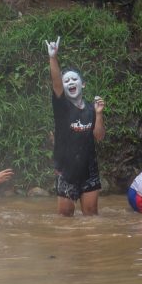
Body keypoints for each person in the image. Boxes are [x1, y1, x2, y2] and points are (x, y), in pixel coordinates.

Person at [45, 36, 106, 216]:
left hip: (89, 171)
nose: (70, 82)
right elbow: (56, 83)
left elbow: (99, 136)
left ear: (83, 84)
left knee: (91, 218)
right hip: (66, 171)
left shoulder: (91, 109)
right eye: (67, 81)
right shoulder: (62, 107)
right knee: (65, 221)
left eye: (74, 79)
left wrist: (99, 113)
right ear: (64, 88)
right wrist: (53, 57)